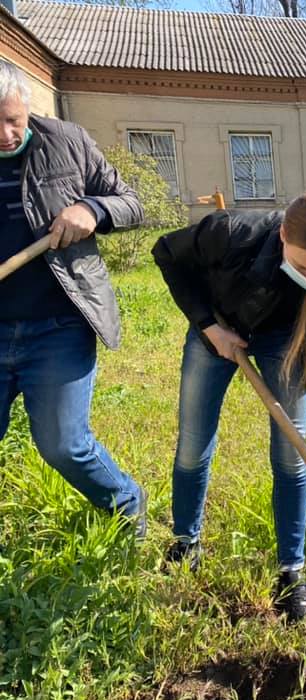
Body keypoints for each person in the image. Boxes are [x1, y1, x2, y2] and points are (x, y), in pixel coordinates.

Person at [152, 190, 306, 623]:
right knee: (194, 442)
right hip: (218, 329)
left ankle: (291, 574)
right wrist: (210, 328)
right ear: (283, 234)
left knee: (291, 459)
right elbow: (166, 253)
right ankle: (186, 542)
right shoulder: (232, 234)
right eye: (302, 265)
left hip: (287, 343)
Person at [0, 61, 147, 535]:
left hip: (58, 326)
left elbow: (130, 202)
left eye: (11, 120)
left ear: (26, 107)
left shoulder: (67, 141)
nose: (4, 134)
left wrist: (93, 209)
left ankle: (127, 504)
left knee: (63, 444)